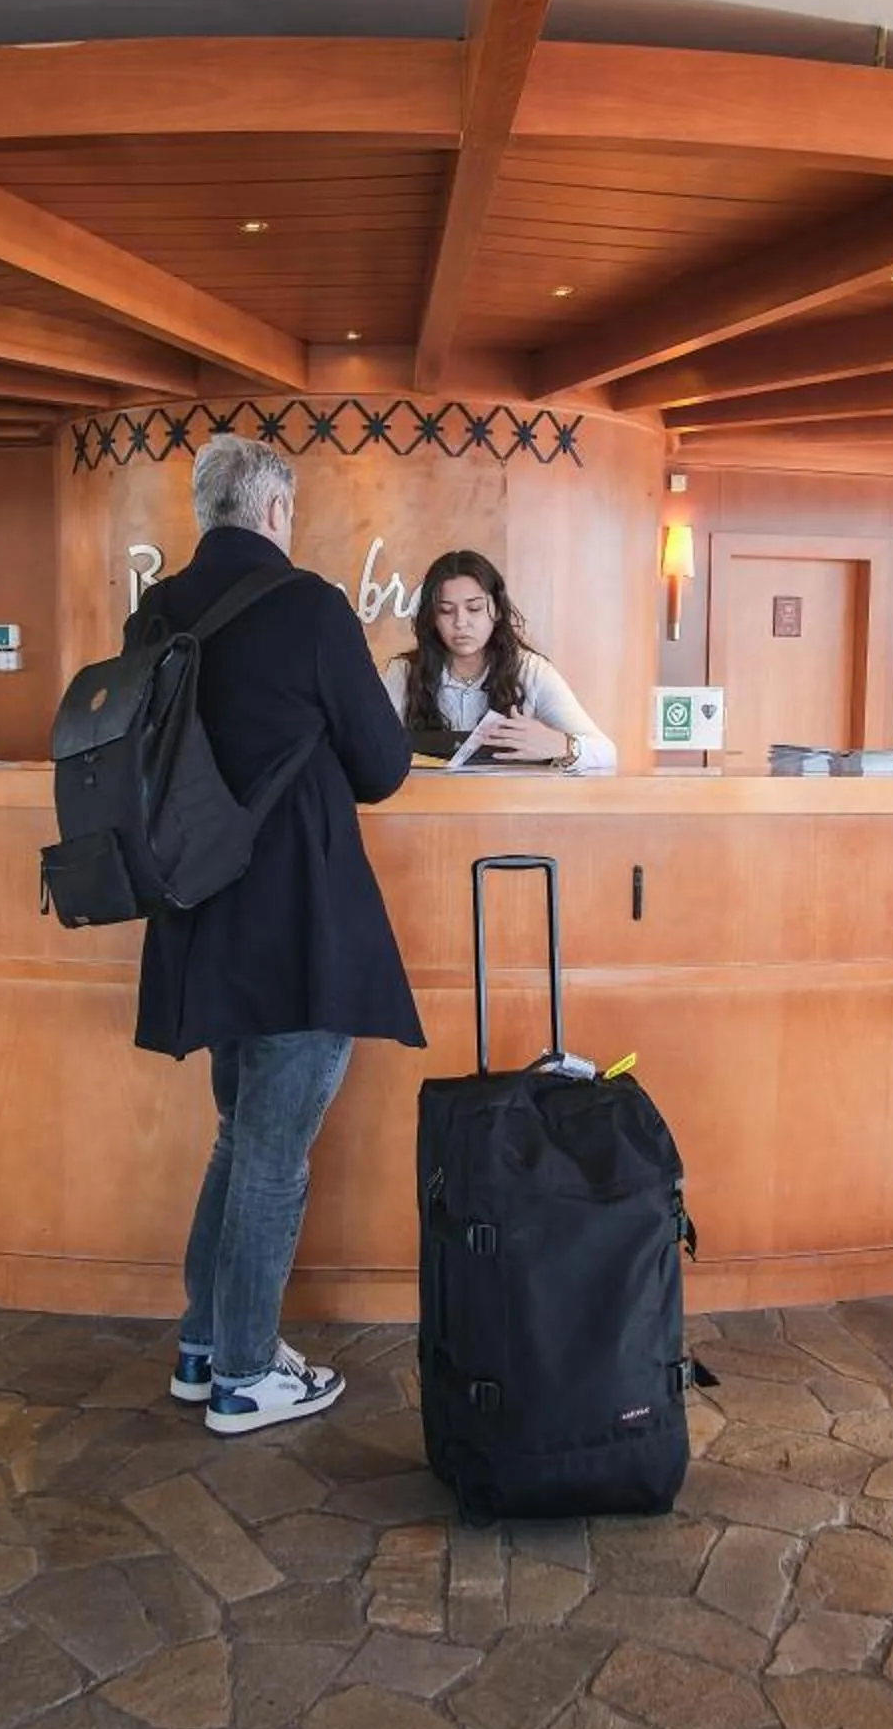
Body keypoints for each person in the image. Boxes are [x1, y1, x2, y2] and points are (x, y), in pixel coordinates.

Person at [137, 434, 420, 1436]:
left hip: (201, 916)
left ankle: (207, 1342)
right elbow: (384, 766)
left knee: (240, 1136)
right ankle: (250, 1374)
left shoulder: (157, 610)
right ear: (270, 511)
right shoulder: (310, 607)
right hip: (301, 914)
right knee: (271, 1151)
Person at [382, 549, 619, 772]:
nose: (460, 622)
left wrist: (564, 746)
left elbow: (607, 753)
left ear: (496, 610)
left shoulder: (530, 671)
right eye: (446, 611)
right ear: (432, 617)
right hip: (425, 810)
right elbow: (367, 748)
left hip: (511, 811)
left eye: (474, 608)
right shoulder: (403, 673)